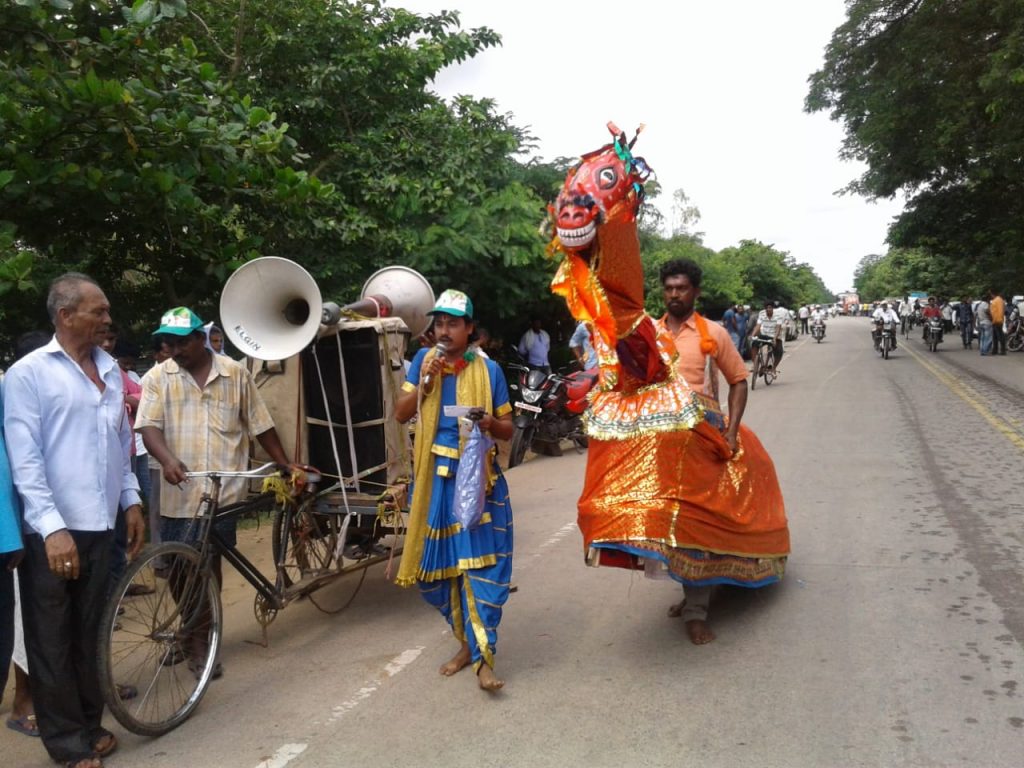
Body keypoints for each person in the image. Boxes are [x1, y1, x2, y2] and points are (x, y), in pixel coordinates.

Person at [4, 273, 144, 768]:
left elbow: (118, 449)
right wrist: (51, 527)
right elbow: (26, 460)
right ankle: (66, 745)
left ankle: (89, 725)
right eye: (98, 311)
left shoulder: (108, 371)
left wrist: (130, 501)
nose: (107, 320)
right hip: (53, 533)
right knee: (51, 640)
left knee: (90, 631)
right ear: (65, 316)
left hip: (101, 525)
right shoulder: (28, 375)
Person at [136, 307, 292, 680]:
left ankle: (200, 638)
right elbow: (148, 428)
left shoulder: (234, 374)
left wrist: (286, 463)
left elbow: (260, 425)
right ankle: (192, 628)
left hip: (223, 490)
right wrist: (168, 459)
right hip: (178, 490)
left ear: (199, 339)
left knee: (207, 563)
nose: (173, 350)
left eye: (180, 342)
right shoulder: (159, 377)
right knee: (176, 566)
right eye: (167, 343)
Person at [394, 289, 514, 691]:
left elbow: (507, 429)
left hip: (477, 478)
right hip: (435, 480)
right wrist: (424, 383)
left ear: (469, 328)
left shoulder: (488, 369)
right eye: (439, 323)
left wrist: (488, 427)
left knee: (480, 569)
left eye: (452, 323)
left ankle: (483, 661)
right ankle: (465, 643)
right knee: (434, 574)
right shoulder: (422, 363)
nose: (443, 330)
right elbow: (400, 413)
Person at [656, 260, 750, 643]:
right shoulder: (650, 332)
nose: (674, 294)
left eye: (681, 288)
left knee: (696, 523)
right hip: (659, 441)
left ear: (695, 292)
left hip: (703, 441)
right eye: (669, 288)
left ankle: (696, 610)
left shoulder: (714, 333)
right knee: (666, 525)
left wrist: (730, 432)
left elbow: (739, 381)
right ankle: (689, 589)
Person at [752, 301, 783, 373]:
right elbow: (758, 326)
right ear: (765, 309)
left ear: (773, 308)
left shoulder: (778, 315)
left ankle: (774, 367)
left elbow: (778, 328)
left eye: (770, 308)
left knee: (779, 351)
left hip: (774, 335)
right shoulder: (761, 313)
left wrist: (775, 339)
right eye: (767, 308)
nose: (768, 309)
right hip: (764, 334)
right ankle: (755, 364)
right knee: (754, 344)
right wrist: (753, 335)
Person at [990, 289, 1006, 355]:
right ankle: (995, 350)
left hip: (997, 321)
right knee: (995, 337)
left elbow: (1000, 311)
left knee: (1000, 336)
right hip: (994, 321)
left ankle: (1002, 350)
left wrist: (999, 320)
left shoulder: (998, 300)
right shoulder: (996, 300)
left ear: (992, 293)